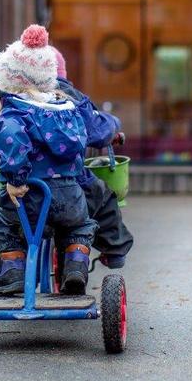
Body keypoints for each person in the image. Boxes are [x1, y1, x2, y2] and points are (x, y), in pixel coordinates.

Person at [0, 24, 97, 296]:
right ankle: (76, 266)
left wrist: (15, 180)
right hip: (69, 195)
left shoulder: (15, 114)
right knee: (79, 225)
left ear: (11, 78)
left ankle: (13, 272)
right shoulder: (67, 110)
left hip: (30, 197)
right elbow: (80, 143)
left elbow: (12, 140)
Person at [51, 47, 134, 268]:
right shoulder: (71, 99)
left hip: (27, 189)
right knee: (104, 198)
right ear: (61, 73)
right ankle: (114, 251)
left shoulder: (18, 101)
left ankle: (15, 266)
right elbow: (98, 131)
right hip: (71, 184)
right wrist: (114, 124)